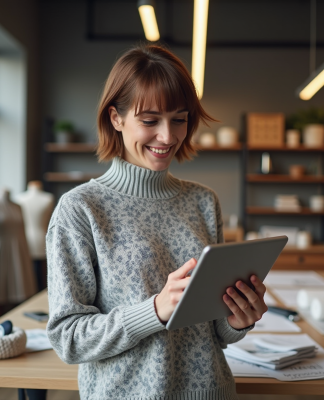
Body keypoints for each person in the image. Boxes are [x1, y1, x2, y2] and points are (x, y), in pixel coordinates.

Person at [46, 44, 268, 400]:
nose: (168, 137)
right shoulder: (80, 209)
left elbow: (215, 332)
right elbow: (68, 339)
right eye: (150, 121)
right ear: (116, 118)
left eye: (179, 119)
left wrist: (238, 320)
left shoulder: (203, 201)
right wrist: (153, 311)